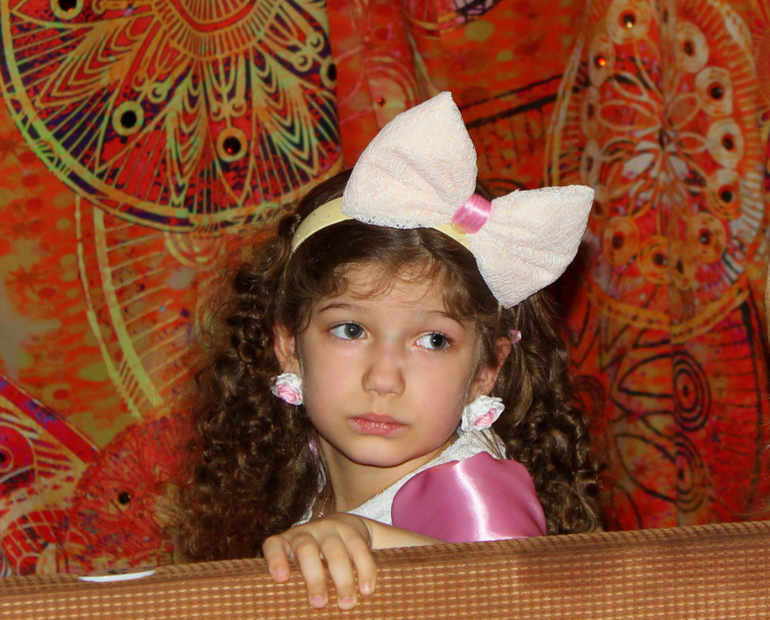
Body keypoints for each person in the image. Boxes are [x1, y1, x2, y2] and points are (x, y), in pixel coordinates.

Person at [175, 92, 602, 610]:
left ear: (486, 370)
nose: (383, 378)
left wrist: (370, 538)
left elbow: (519, 597)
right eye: (351, 330)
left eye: (434, 341)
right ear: (288, 347)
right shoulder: (304, 466)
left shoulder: (468, 487)